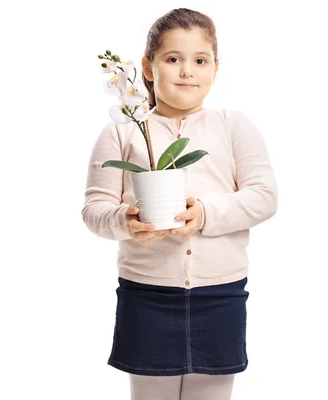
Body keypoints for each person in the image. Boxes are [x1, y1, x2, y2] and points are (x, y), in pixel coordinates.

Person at [81, 7, 278, 400]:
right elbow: (94, 209)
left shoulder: (233, 126)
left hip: (220, 295)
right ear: (148, 68)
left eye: (200, 61)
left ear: (215, 69)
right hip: (147, 295)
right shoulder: (123, 131)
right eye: (173, 59)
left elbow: (264, 197)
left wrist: (205, 213)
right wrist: (126, 218)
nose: (187, 71)